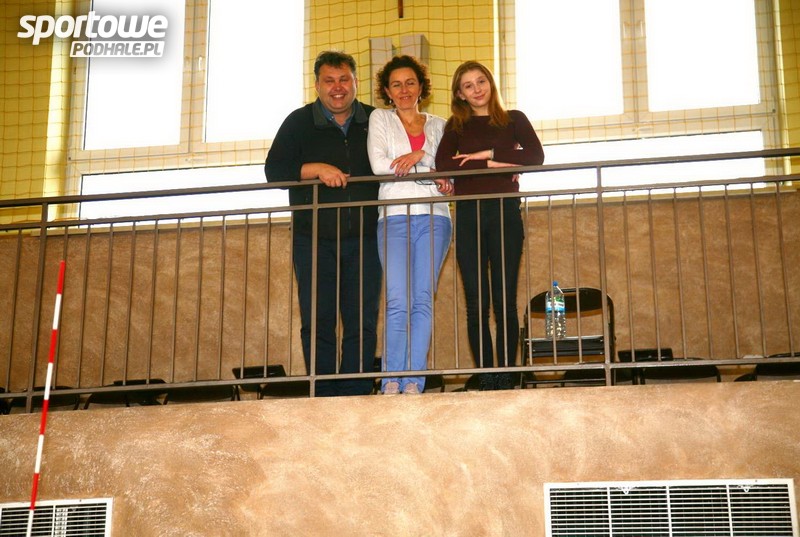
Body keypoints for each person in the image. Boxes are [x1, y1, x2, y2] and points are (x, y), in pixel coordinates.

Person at [264, 51, 381, 397]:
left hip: (366, 238)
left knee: (362, 321)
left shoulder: (376, 120)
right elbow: (274, 171)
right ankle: (324, 394)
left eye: (344, 79)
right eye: (329, 81)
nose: (337, 87)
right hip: (313, 240)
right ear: (317, 85)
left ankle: (356, 392)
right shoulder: (298, 122)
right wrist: (316, 169)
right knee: (318, 320)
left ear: (356, 82)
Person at [435, 61, 545, 390]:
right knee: (476, 304)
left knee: (504, 300)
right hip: (469, 216)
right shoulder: (456, 125)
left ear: (491, 83)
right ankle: (486, 376)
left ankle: (507, 375)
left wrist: (488, 155)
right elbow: (444, 164)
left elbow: (535, 156)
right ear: (460, 94)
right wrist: (502, 161)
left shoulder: (514, 119)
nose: (477, 89)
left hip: (504, 215)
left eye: (481, 81)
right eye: (468, 85)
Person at [366, 55, 453, 395]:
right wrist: (429, 168)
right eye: (396, 85)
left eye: (410, 83)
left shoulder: (441, 125)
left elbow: (449, 174)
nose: (404, 90)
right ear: (387, 91)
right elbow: (380, 166)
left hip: (435, 218)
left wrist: (418, 158)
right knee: (397, 301)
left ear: (421, 87)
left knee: (422, 300)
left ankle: (414, 380)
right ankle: (391, 379)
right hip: (394, 217)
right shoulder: (380, 119)